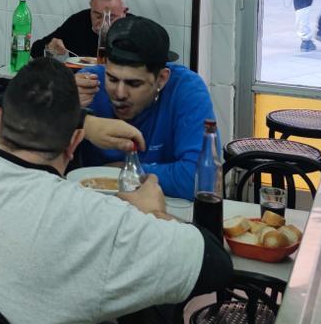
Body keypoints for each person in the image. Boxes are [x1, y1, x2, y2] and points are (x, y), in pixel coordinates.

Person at [0, 59, 232, 324]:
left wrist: (87, 123)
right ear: (74, 143)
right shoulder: (92, 221)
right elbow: (216, 266)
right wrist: (153, 213)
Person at [74, 16, 217, 200]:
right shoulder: (87, 86)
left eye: (134, 83)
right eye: (112, 79)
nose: (120, 93)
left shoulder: (186, 90)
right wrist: (68, 111)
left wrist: (122, 171)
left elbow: (200, 179)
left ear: (161, 79)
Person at [30, 0, 128, 60]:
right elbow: (35, 49)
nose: (103, 24)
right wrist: (50, 50)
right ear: (91, 8)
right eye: (97, 16)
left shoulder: (135, 28)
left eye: (111, 17)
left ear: (124, 12)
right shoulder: (79, 21)